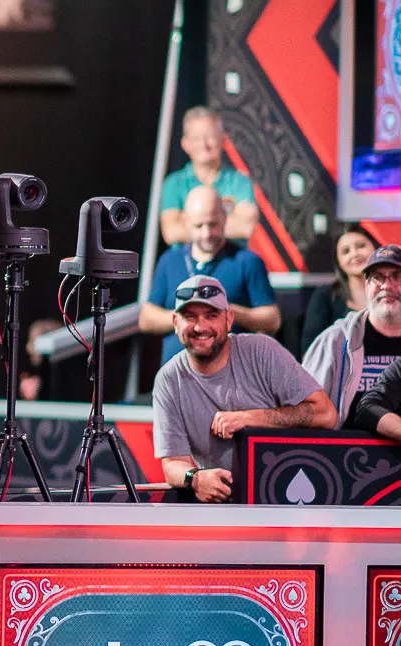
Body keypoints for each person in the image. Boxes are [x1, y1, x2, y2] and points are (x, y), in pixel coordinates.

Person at [153, 276, 335, 503]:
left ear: (229, 319)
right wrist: (195, 478)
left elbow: (325, 414)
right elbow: (172, 464)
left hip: (286, 496)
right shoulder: (168, 379)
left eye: (211, 316)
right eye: (190, 317)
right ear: (175, 322)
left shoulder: (262, 351)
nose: (200, 327)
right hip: (224, 503)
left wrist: (248, 418)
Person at [139, 185, 279, 365]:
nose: (206, 233)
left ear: (224, 218)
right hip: (177, 373)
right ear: (186, 222)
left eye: (212, 224)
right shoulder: (170, 260)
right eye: (199, 226)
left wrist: (228, 312)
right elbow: (146, 319)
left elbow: (272, 318)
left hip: (230, 372)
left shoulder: (246, 260)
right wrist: (185, 314)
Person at [306, 244, 401, 428]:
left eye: (397, 276)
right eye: (377, 277)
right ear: (366, 286)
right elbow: (305, 410)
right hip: (346, 445)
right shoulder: (334, 341)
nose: (386, 285)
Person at [159, 107, 258, 245]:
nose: (204, 145)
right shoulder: (173, 183)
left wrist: (190, 222)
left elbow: (245, 227)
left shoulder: (240, 182)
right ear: (185, 144)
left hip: (231, 257)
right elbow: (172, 232)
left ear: (223, 139)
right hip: (186, 258)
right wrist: (225, 221)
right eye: (196, 138)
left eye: (210, 136)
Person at [300, 224, 381, 353]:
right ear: (338, 262)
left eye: (361, 246)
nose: (355, 254)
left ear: (376, 249)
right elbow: (311, 350)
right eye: (346, 251)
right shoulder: (325, 296)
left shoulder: (394, 291)